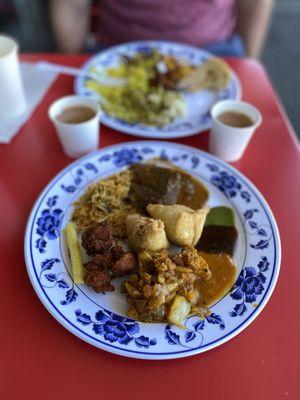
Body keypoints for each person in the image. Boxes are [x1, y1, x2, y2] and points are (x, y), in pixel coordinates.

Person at [50, 0, 274, 58]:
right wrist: (75, 64)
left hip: (217, 50)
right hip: (115, 51)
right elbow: (71, 5)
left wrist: (250, 63)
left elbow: (254, 4)